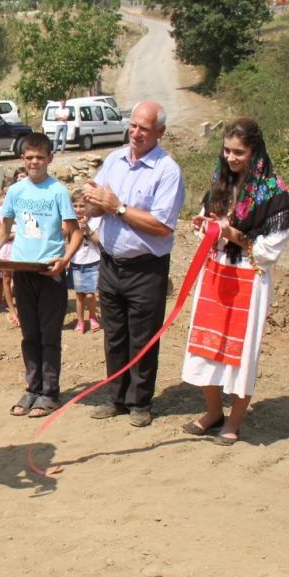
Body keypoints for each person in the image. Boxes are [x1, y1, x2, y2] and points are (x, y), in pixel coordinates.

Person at [180, 118, 289, 446]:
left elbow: (269, 250)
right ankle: (213, 411)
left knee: (240, 353)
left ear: (254, 151)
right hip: (215, 274)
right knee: (207, 346)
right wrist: (204, 226)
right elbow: (209, 220)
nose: (231, 158)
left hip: (249, 278)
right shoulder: (220, 181)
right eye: (227, 150)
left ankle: (234, 420)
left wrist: (237, 235)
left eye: (239, 152)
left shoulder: (274, 193)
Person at [84, 101, 186, 427]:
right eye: (133, 125)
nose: (136, 132)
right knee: (114, 335)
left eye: (144, 128)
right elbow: (98, 200)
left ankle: (140, 402)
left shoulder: (168, 171)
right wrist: (95, 204)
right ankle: (116, 397)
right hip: (111, 263)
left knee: (143, 337)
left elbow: (162, 225)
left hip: (146, 269)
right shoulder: (114, 160)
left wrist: (118, 207)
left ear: (160, 133)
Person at [0, 133, 81, 418]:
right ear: (22, 159)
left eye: (40, 157)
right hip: (22, 272)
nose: (34, 162)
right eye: (29, 157)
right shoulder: (16, 192)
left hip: (49, 273)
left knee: (49, 335)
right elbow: (3, 231)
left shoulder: (58, 192)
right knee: (29, 335)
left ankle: (49, 393)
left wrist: (64, 260)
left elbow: (75, 233)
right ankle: (32, 389)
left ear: (50, 158)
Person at [69, 188, 101, 334]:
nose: (78, 209)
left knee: (90, 293)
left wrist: (86, 228)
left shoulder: (95, 221)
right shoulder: (70, 222)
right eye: (75, 206)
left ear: (88, 206)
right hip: (77, 262)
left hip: (93, 261)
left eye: (82, 206)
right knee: (80, 294)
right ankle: (80, 321)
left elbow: (98, 241)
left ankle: (93, 317)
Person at [0, 190, 18, 325]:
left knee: (19, 279)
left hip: (20, 249)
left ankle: (20, 307)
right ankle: (11, 309)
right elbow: (0, 231)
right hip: (5, 249)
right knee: (5, 278)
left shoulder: (21, 207)